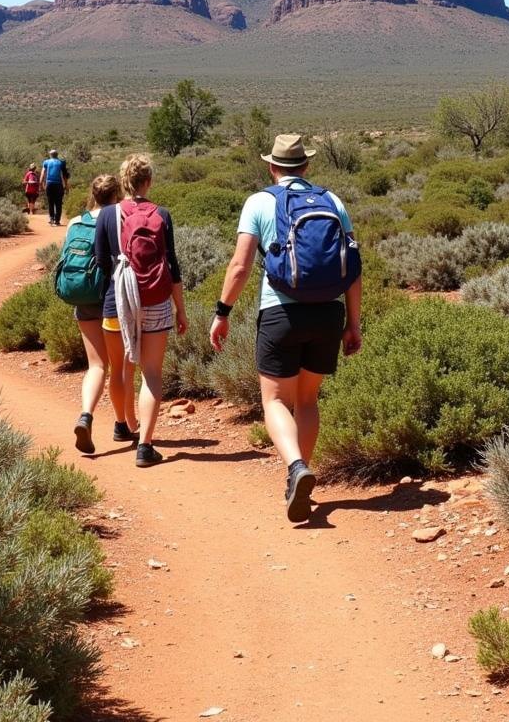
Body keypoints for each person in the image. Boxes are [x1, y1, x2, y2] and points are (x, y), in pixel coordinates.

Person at [210, 134, 362, 522]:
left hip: (281, 314)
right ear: (306, 166)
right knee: (308, 401)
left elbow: (240, 266)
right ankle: (299, 475)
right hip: (328, 313)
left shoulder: (259, 202)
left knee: (276, 401)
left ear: (271, 166)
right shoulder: (333, 201)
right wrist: (353, 324)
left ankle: (296, 468)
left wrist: (222, 312)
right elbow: (354, 270)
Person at [94, 154, 187, 467]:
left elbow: (101, 261)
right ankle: (145, 446)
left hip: (118, 301)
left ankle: (122, 425)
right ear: (149, 181)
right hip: (156, 299)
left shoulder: (107, 214)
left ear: (124, 181)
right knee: (151, 373)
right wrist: (181, 310)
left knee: (119, 368)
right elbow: (173, 266)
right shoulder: (162, 213)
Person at [60, 174, 142, 454]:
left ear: (92, 194)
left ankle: (86, 414)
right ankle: (124, 424)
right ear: (117, 194)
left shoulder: (75, 222)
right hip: (112, 300)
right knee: (122, 367)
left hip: (84, 301)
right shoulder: (117, 219)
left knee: (96, 366)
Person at [40, 149, 70, 226]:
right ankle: (57, 220)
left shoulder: (46, 162)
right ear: (57, 155)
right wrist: (66, 187)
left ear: (50, 155)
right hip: (58, 185)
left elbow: (43, 173)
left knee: (50, 202)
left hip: (49, 184)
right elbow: (64, 176)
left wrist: (41, 184)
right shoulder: (61, 162)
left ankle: (51, 218)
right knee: (58, 203)